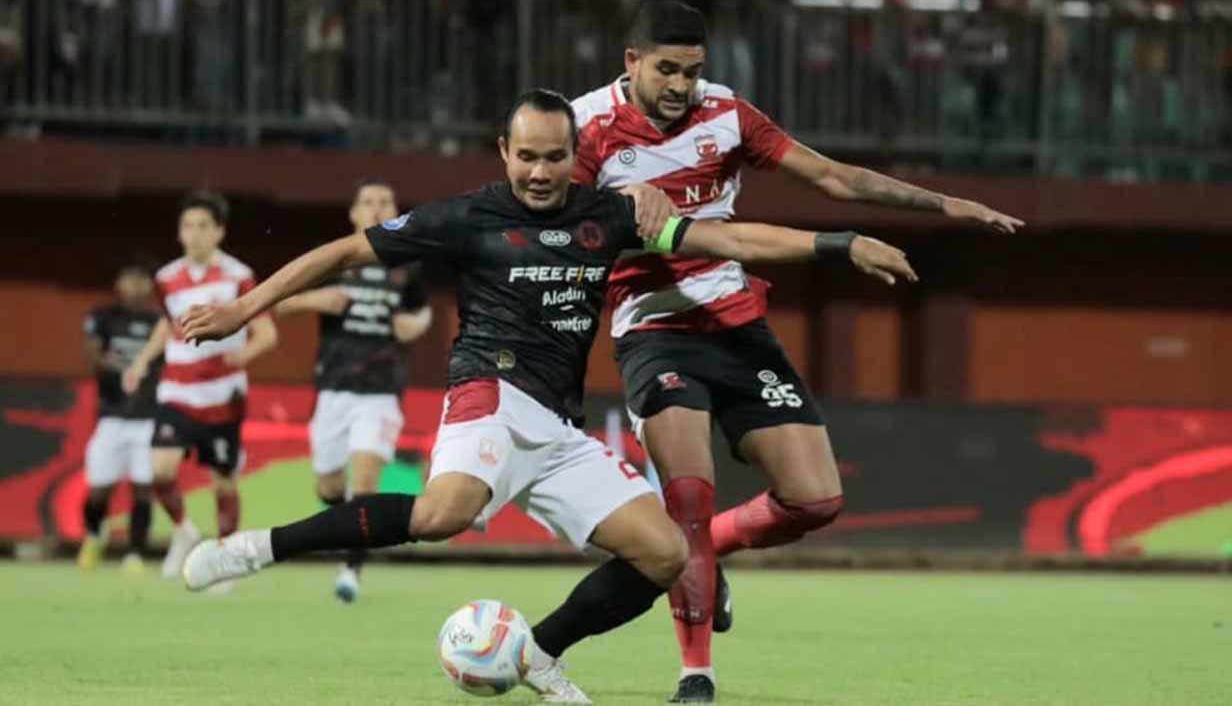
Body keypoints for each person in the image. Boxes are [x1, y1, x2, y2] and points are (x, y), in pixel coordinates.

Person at [177, 89, 916, 704]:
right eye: (525, 156)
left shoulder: (610, 217)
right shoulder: (468, 218)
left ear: (575, 155)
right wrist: (247, 308)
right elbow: (344, 251)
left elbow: (732, 243)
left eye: (554, 156)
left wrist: (838, 244)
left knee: (664, 553)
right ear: (504, 151)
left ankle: (536, 651)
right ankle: (252, 549)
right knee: (443, 512)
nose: (538, 171)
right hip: (488, 390)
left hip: (559, 428)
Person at [571, 0, 1025, 702]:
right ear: (630, 62)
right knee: (687, 492)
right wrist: (616, 211)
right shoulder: (584, 127)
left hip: (736, 321)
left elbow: (833, 176)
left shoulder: (727, 113)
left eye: (692, 71)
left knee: (816, 499)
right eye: (666, 69)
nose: (680, 85)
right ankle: (697, 673)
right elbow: (558, 230)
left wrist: (943, 205)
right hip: (653, 326)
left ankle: (706, 549)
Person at [275, 179, 431, 602]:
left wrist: (414, 326)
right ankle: (347, 526)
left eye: (385, 201)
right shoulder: (333, 260)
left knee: (364, 482)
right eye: (368, 202)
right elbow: (278, 301)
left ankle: (351, 568)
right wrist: (317, 299)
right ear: (353, 213)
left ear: (396, 210)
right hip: (333, 389)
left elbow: (422, 312)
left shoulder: (408, 263)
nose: (377, 208)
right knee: (329, 487)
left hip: (380, 391)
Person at [122, 190, 279, 579]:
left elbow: (267, 333)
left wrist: (245, 354)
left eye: (203, 226)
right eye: (187, 226)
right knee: (160, 471)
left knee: (223, 481)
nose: (194, 234)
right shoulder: (166, 278)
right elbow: (167, 323)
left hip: (223, 396)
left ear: (220, 232)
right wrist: (142, 361)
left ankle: (224, 560)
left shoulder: (239, 277)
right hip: (176, 391)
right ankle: (183, 531)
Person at [78, 265, 162, 574]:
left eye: (142, 280)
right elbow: (93, 355)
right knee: (99, 489)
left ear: (150, 285)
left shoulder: (159, 321)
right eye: (129, 279)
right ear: (118, 282)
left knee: (143, 488)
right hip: (111, 417)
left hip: (147, 418)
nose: (135, 286)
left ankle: (135, 554)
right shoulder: (103, 317)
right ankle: (92, 536)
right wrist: (118, 366)